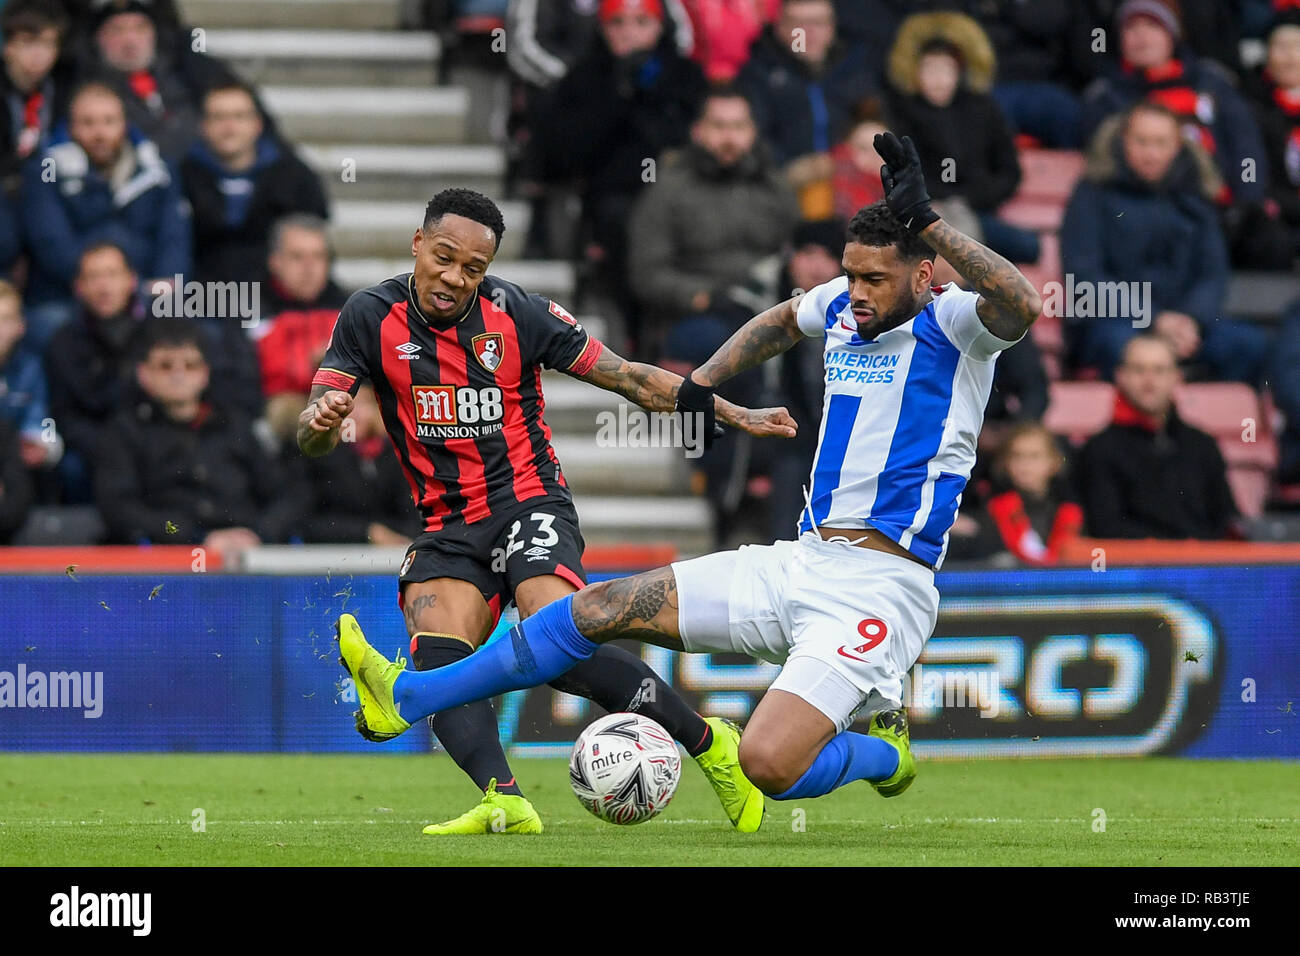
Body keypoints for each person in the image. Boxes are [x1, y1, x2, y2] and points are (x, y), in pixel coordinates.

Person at [334, 135, 1043, 806]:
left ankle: (887, 752)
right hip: (802, 560)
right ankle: (410, 698)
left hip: (883, 586)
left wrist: (927, 218)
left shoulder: (958, 327)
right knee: (593, 610)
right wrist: (702, 384)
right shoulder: (843, 305)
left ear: (923, 274)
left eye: (874, 279)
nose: (854, 291)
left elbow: (1022, 302)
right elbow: (781, 320)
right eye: (850, 273)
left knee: (766, 765)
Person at [299, 188, 795, 834]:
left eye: (472, 269)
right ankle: (503, 799)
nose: (454, 278)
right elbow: (313, 430)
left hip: (527, 503)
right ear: (418, 245)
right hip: (448, 523)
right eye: (444, 258)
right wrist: (321, 420)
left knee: (556, 637)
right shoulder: (370, 316)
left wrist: (728, 411)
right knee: (439, 656)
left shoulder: (519, 314)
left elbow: (630, 378)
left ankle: (709, 744)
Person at [1061, 101, 1268, 382]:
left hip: (1187, 326)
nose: (1151, 153)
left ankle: (1204, 419)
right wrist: (1155, 319)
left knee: (1249, 345)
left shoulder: (1196, 195)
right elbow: (1084, 275)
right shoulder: (1092, 192)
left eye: (1161, 143)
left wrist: (1190, 320)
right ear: (1123, 142)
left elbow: (1213, 272)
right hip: (1114, 322)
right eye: (1142, 142)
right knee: (1122, 347)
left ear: (1177, 147)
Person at [94, 318, 299, 553]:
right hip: (168, 561)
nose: (178, 375)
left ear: (205, 373)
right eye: (165, 366)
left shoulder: (235, 425)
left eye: (190, 365)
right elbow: (119, 508)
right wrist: (192, 537)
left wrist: (259, 533)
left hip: (247, 553)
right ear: (144, 374)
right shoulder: (124, 431)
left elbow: (285, 494)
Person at [20, 80, 191, 348]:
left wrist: (160, 283)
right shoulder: (45, 170)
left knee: (189, 324)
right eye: (88, 123)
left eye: (109, 121)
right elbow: (52, 245)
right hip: (68, 295)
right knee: (49, 327)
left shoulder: (157, 168)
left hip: (143, 290)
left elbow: (174, 236)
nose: (99, 133)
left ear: (124, 124)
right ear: (72, 126)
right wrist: (106, 285)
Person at [885, 11, 1038, 263]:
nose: (938, 79)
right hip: (926, 215)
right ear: (915, 72)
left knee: (1028, 247)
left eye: (946, 70)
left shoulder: (984, 111)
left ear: (959, 73)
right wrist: (937, 200)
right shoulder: (901, 113)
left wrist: (970, 199)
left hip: (977, 211)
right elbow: (900, 173)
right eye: (929, 69)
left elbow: (1009, 171)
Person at [1077, 334, 1237, 539]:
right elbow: (1106, 528)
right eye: (1139, 370)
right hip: (1137, 568)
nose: (1149, 380)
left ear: (1176, 378)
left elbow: (1227, 519)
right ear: (1120, 376)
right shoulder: (1099, 449)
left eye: (1159, 370)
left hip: (1203, 567)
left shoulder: (1202, 444)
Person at [737, 0, 875, 218]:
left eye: (818, 23)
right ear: (780, 27)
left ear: (832, 28)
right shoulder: (758, 75)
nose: (809, 33)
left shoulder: (853, 68)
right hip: (782, 189)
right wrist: (792, 169)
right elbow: (751, 138)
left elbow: (873, 119)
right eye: (799, 24)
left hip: (852, 183)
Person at [181, 81, 329, 286]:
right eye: (219, 117)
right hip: (198, 298)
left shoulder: (296, 178)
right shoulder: (180, 178)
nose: (229, 127)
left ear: (257, 124)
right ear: (203, 126)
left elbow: (314, 242)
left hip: (278, 298)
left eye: (239, 116)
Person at [80, 0, 237, 160]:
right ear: (97, 38)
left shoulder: (190, 73)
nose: (130, 40)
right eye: (116, 30)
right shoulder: (82, 87)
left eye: (140, 28)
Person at [252, 215, 350, 443]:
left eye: (318, 257)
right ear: (275, 261)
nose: (309, 268)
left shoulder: (352, 309)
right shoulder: (250, 311)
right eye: (297, 257)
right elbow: (241, 380)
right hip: (276, 413)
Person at [981, 421, 1083, 565]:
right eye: (1017, 456)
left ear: (1054, 462)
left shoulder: (1070, 513)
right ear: (1005, 463)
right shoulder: (992, 511)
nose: (1025, 465)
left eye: (1034, 456)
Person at [0, 0, 73, 181]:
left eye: (48, 44)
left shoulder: (63, 86)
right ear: (7, 47)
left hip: (46, 180)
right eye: (29, 42)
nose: (39, 53)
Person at [0, 280, 61, 471]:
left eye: (5, 319)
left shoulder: (32, 367)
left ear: (21, 326)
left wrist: (43, 444)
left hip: (16, 462)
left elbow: (44, 420)